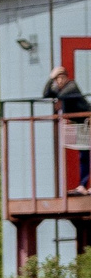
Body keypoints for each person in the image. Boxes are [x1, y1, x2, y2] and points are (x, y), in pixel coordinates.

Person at [48, 66, 91, 194]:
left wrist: (55, 88)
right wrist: (51, 78)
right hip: (81, 124)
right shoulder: (61, 88)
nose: (59, 81)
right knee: (84, 155)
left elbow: (61, 95)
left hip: (88, 120)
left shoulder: (71, 86)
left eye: (61, 78)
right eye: (57, 79)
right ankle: (83, 186)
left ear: (66, 78)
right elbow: (46, 93)